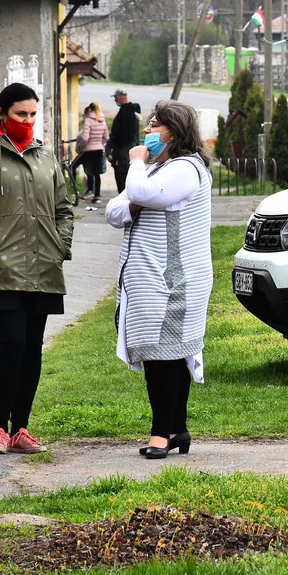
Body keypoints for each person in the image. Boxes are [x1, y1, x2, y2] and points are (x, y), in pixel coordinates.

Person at [0, 83, 74, 456]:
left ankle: (21, 428)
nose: (28, 120)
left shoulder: (45, 157)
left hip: (43, 268)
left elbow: (64, 209)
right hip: (1, 268)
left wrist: (60, 245)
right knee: (12, 342)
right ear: (2, 113)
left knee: (33, 348)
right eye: (22, 114)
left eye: (33, 114)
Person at [105, 99, 213, 460]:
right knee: (170, 353)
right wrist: (137, 199)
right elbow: (114, 211)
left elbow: (138, 193)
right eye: (149, 124)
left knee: (163, 357)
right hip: (152, 278)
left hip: (173, 280)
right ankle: (177, 428)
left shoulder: (184, 168)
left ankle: (160, 434)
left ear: (175, 132)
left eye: (156, 125)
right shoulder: (157, 170)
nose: (148, 131)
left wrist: (135, 163)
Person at [105, 89, 143, 194]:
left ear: (121, 97)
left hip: (124, 152)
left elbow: (120, 135)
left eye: (115, 97)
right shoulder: (132, 110)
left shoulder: (125, 112)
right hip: (129, 149)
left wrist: (113, 151)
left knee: (122, 179)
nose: (115, 100)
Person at [74, 101, 108, 202]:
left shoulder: (88, 120)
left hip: (88, 150)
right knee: (96, 173)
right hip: (99, 149)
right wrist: (100, 144)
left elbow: (85, 138)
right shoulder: (102, 120)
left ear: (89, 110)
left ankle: (74, 189)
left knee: (73, 166)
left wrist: (84, 147)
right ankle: (96, 195)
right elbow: (106, 137)